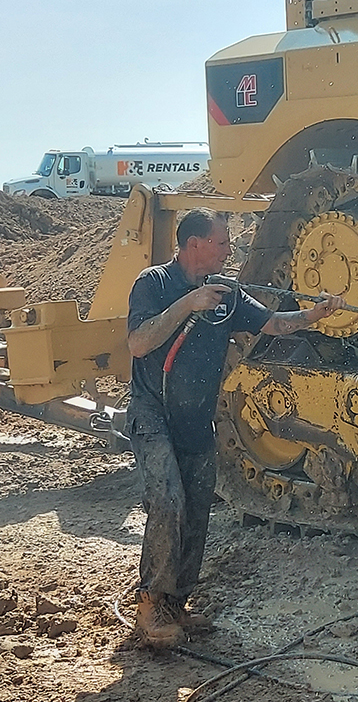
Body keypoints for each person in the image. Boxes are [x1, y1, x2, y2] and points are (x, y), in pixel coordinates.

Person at [125, 207, 343, 647]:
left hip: (195, 418)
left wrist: (314, 315)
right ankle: (150, 601)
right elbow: (138, 342)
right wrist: (187, 304)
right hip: (154, 413)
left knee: (198, 507)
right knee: (167, 499)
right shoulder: (154, 284)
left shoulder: (229, 294)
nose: (230, 249)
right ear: (194, 245)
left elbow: (274, 324)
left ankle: (177, 604)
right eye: (222, 242)